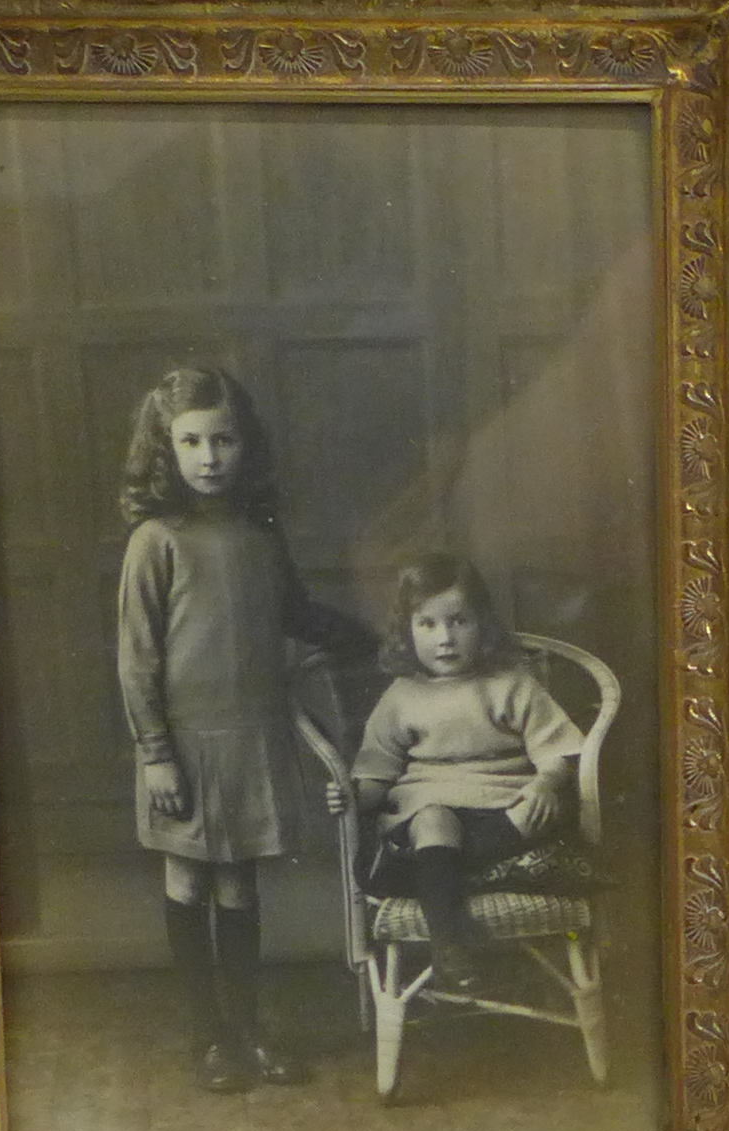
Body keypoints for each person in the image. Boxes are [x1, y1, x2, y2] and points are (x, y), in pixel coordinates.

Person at [115, 365, 368, 1093]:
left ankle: (249, 1032)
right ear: (166, 449)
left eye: (222, 439)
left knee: (240, 888)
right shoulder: (155, 541)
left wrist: (374, 639)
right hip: (184, 748)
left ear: (243, 445)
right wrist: (156, 755)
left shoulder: (260, 535)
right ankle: (209, 1040)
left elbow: (295, 615)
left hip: (252, 737)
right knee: (191, 879)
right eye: (190, 441)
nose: (208, 456)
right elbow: (137, 662)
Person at [336, 553, 586, 989]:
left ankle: (440, 875)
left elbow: (555, 750)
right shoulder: (402, 696)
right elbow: (377, 769)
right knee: (433, 819)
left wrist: (546, 782)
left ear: (482, 625)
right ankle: (451, 947)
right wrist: (353, 797)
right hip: (431, 816)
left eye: (459, 622)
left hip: (501, 812)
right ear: (407, 630)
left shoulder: (512, 683)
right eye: (427, 625)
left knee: (537, 810)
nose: (444, 638)